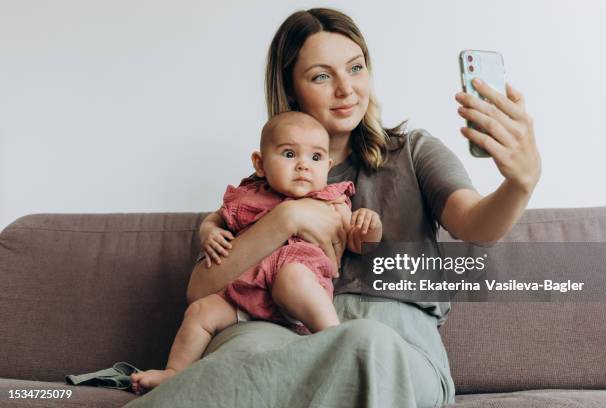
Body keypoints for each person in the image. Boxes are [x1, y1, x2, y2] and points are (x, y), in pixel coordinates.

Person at [126, 7, 541, 408]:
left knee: (364, 346)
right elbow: (200, 291)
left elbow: (476, 225)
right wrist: (289, 217)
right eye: (322, 76)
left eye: (356, 68)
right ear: (291, 90)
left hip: (393, 339)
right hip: (274, 331)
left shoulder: (413, 153)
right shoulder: (267, 182)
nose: (346, 89)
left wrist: (519, 184)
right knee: (242, 365)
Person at [130, 110, 383, 395]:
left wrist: (368, 226)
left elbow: (361, 244)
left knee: (292, 277)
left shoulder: (332, 202)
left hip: (295, 299)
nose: (303, 166)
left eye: (315, 158)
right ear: (260, 164)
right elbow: (216, 219)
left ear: (328, 164)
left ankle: (335, 340)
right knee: (200, 311)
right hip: (247, 295)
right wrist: (209, 232)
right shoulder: (248, 196)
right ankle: (175, 372)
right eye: (289, 154)